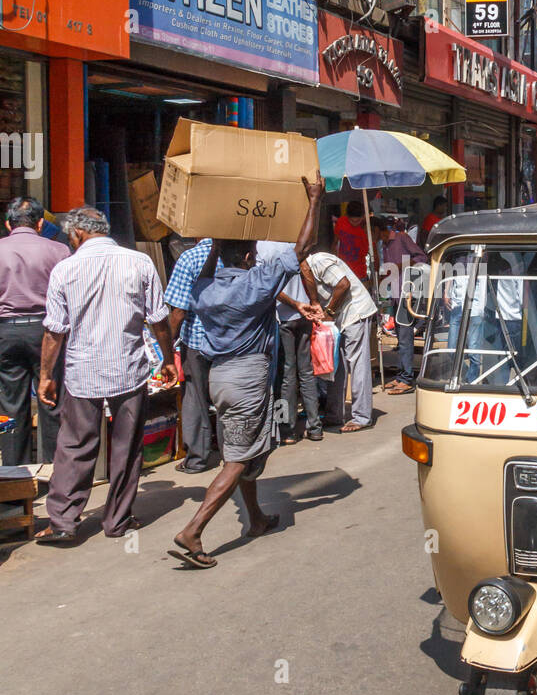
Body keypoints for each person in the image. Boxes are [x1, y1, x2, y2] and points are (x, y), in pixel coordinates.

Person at [170, 177, 324, 569]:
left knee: (248, 448)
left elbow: (208, 269)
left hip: (219, 379)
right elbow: (302, 248)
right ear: (249, 256)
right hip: (247, 380)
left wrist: (218, 242)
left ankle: (255, 517)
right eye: (253, 251)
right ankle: (194, 530)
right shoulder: (255, 283)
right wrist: (314, 200)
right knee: (237, 459)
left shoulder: (205, 289)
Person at [35, 207, 178, 544]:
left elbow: (54, 332)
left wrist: (45, 376)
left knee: (74, 445)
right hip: (128, 369)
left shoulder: (65, 270)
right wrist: (168, 358)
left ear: (78, 234)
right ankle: (118, 520)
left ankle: (63, 522)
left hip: (82, 371)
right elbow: (159, 319)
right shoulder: (139, 262)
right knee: (127, 446)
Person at [0, 196, 69, 465]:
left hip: (6, 332)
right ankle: (54, 475)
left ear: (8, 224)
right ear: (40, 224)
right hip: (48, 333)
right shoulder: (59, 251)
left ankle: (14, 477)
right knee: (51, 399)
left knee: (11, 405)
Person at [301, 249, 377, 432]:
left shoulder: (319, 261)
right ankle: (335, 414)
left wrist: (329, 312)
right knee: (337, 365)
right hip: (341, 317)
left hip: (355, 312)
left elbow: (343, 284)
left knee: (357, 364)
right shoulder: (306, 269)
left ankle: (362, 417)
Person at [257, 240, 322, 444]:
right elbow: (306, 270)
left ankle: (287, 430)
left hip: (283, 317)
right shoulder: (289, 242)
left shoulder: (259, 247)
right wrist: (313, 302)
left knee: (285, 376)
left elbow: (268, 288)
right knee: (306, 373)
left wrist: (296, 304)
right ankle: (315, 427)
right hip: (302, 315)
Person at [165, 238, 221, 473]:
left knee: (195, 398)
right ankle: (234, 455)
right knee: (225, 397)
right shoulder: (237, 255)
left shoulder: (189, 258)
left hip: (197, 341)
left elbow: (178, 311)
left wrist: (166, 351)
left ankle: (197, 458)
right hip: (230, 340)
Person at [372, 216, 428, 395]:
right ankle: (401, 374)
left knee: (405, 338)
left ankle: (407, 379)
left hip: (407, 293)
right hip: (395, 295)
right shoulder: (384, 245)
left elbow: (421, 257)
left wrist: (397, 266)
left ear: (378, 229)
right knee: (400, 337)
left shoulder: (402, 238)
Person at [333, 200, 371, 281]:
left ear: (363, 217)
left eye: (357, 221)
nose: (354, 223)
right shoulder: (341, 222)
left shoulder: (366, 230)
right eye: (351, 221)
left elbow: (366, 252)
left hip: (359, 275)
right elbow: (335, 242)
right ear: (347, 216)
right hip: (342, 273)